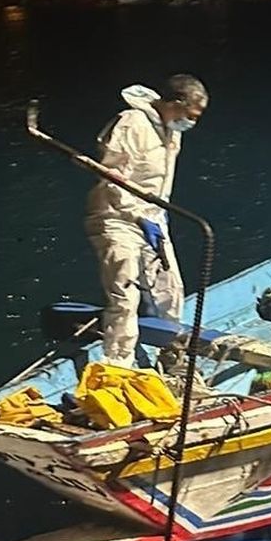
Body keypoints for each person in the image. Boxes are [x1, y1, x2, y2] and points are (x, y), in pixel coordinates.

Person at [85, 74, 209, 367]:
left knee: (170, 290)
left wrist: (154, 215)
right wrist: (137, 216)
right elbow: (112, 179)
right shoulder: (131, 124)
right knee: (124, 294)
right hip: (117, 218)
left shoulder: (171, 129)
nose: (192, 122)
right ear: (175, 103)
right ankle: (119, 365)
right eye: (191, 115)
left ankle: (172, 356)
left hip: (153, 218)